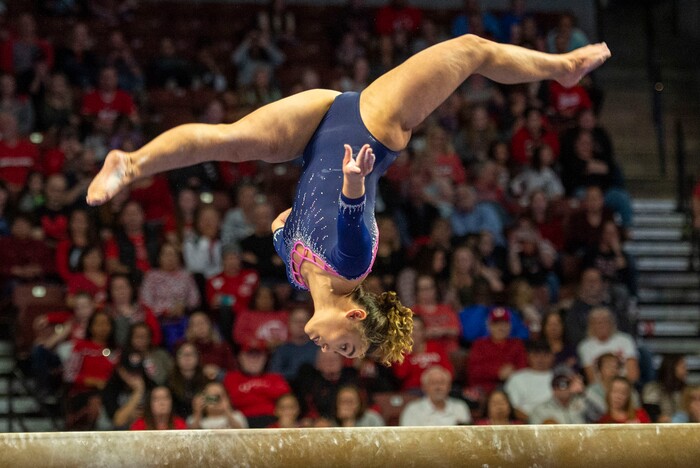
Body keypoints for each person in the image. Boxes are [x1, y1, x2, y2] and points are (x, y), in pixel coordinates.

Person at [87, 34, 611, 364]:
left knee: (231, 141)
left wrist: (293, 225)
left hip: (312, 131)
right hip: (371, 129)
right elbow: (353, 214)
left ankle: (131, 162)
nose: (331, 352)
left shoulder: (296, 274)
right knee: (472, 49)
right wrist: (354, 182)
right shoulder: (353, 265)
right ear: (356, 317)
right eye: (346, 347)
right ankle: (560, 66)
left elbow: (283, 221)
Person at [399, 365, 471, 426]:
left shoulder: (460, 408)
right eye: (433, 383)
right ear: (424, 387)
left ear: (449, 387)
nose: (438, 387)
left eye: (442, 383)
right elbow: (408, 440)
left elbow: (467, 437)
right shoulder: (413, 410)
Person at [504, 340, 555, 422]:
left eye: (545, 355)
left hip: (555, 423)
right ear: (528, 356)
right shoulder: (517, 378)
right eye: (536, 355)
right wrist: (534, 421)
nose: (540, 359)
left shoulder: (558, 378)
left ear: (552, 357)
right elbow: (512, 407)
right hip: (526, 423)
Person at [642, 354, 687, 423]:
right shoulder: (653, 389)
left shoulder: (685, 390)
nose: (686, 371)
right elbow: (651, 414)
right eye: (683, 367)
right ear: (672, 367)